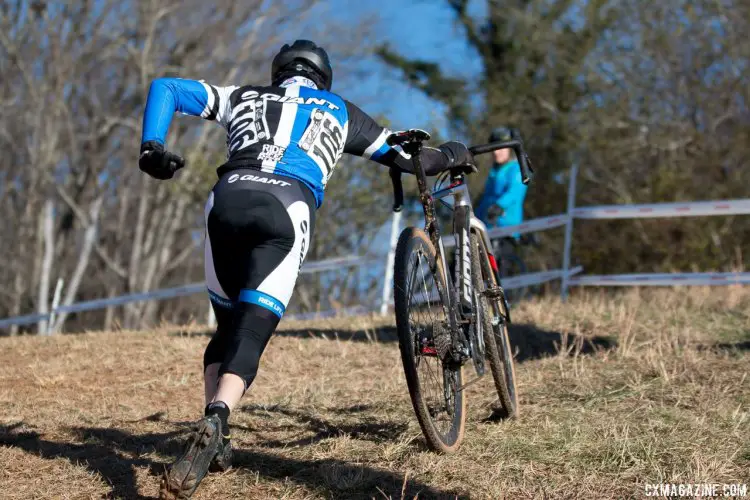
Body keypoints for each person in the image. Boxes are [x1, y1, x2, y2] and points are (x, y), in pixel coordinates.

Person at [138, 40, 475, 500]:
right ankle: (217, 418)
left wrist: (152, 147)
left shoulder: (244, 96)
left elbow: (167, 88)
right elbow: (415, 160)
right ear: (324, 78)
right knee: (253, 329)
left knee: (227, 326)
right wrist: (455, 151)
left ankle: (216, 434)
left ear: (279, 73)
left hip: (228, 196)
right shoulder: (341, 111)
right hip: (286, 204)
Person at [475, 126, 528, 237]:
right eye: (493, 149)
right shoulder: (493, 172)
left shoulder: (516, 168)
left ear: (509, 148)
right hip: (487, 232)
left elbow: (514, 192)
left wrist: (498, 206)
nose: (496, 152)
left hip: (507, 231)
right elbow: (485, 200)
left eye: (500, 148)